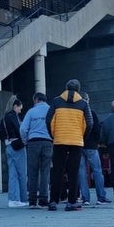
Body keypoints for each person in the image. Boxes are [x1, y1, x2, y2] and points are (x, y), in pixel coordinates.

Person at [45, 79, 92, 212]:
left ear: (66, 88)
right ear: (78, 89)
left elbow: (48, 120)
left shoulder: (56, 101)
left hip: (59, 140)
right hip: (76, 141)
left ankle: (53, 201)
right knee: (73, 172)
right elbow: (89, 123)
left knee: (57, 172)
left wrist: (53, 135)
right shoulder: (83, 103)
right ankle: (71, 202)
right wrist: (82, 137)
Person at [20, 92, 53, 208]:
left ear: (36, 100)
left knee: (32, 171)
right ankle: (44, 199)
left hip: (33, 142)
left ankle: (32, 201)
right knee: (45, 171)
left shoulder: (31, 112)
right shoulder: (51, 110)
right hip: (48, 142)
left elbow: (23, 129)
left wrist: (25, 141)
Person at [76, 92, 108, 205]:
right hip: (91, 146)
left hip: (79, 145)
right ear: (88, 100)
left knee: (81, 172)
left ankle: (85, 198)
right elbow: (97, 130)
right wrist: (96, 142)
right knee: (97, 171)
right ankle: (101, 197)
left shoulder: (77, 114)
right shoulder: (91, 113)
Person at [0, 96, 28, 208]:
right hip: (18, 147)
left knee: (12, 174)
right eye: (19, 108)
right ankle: (22, 199)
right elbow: (20, 130)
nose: (20, 111)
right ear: (15, 106)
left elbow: (0, 135)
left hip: (8, 147)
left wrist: (8, 140)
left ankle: (13, 199)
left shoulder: (3, 118)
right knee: (22, 174)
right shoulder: (13, 117)